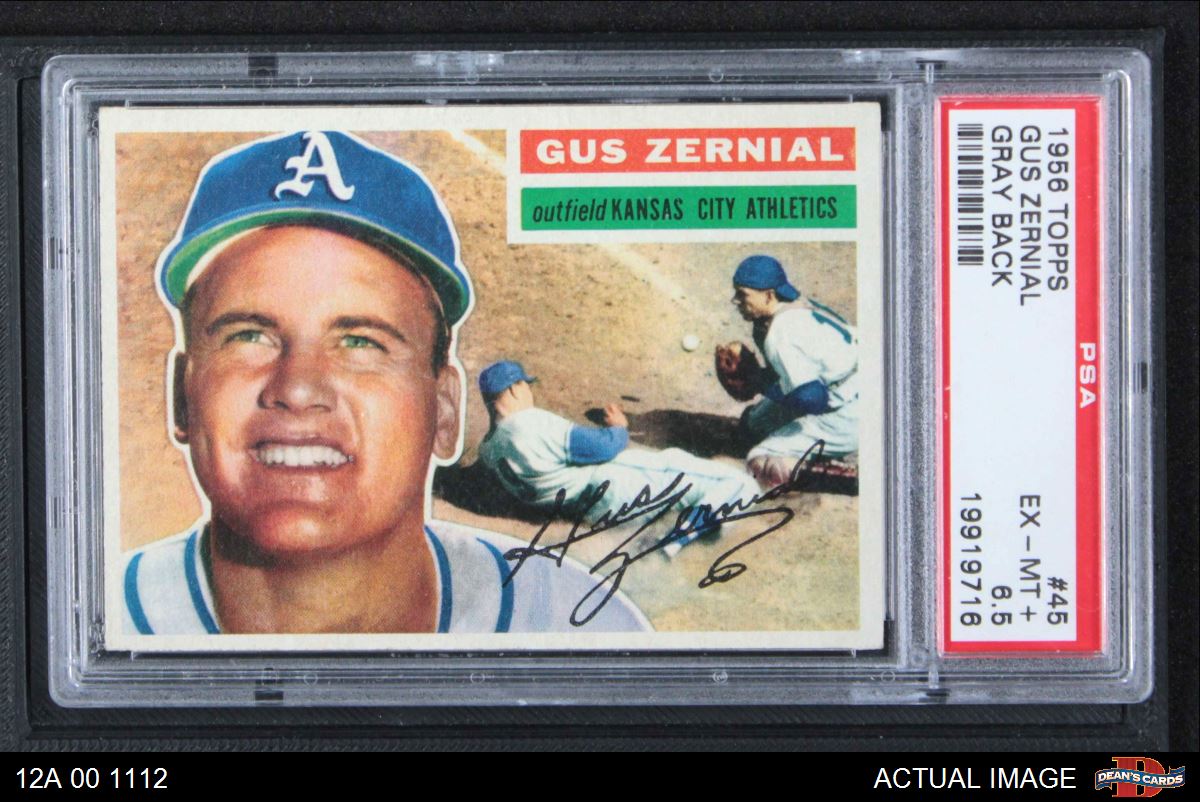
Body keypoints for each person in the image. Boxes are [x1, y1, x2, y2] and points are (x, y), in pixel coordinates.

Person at [122, 130, 649, 635]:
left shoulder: (583, 629)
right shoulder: (99, 623)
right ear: (182, 398)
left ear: (445, 411)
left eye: (360, 342)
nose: (298, 388)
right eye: (248, 336)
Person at [476, 360, 762, 557]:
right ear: (514, 389)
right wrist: (619, 427)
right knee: (738, 483)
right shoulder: (530, 423)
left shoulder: (487, 450)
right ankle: (670, 546)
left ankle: (673, 525)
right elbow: (604, 448)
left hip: (588, 511)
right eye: (526, 385)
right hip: (615, 486)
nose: (529, 391)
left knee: (675, 464)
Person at [719, 255, 859, 489]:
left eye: (742, 294)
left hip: (849, 412)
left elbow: (813, 400)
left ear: (769, 295)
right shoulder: (794, 307)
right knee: (753, 426)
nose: (736, 300)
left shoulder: (781, 334)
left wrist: (758, 383)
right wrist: (761, 379)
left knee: (761, 463)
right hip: (859, 380)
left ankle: (847, 478)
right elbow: (792, 376)